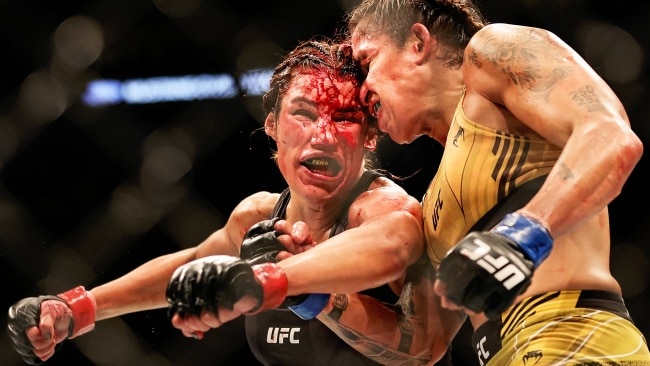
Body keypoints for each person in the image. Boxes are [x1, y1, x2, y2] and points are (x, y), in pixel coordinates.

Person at [7, 39, 462, 366]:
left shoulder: (388, 212)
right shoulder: (258, 216)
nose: (322, 136)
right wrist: (75, 309)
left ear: (369, 136)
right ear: (272, 128)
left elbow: (421, 345)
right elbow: (186, 267)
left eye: (344, 118)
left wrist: (306, 290)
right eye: (303, 114)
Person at [345, 0, 650, 365]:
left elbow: (611, 136)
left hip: (575, 339)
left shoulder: (491, 51)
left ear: (417, 42)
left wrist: (522, 236)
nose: (361, 92)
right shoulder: (432, 201)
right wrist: (314, 297)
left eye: (367, 63)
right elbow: (422, 343)